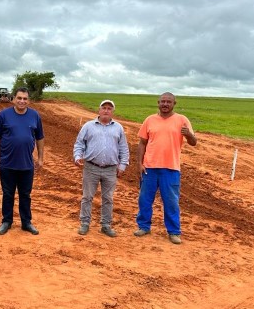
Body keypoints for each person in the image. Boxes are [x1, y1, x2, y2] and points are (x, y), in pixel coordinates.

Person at [134, 92, 197, 245]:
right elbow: (142, 143)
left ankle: (174, 232)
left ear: (174, 103)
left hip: (171, 168)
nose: (165, 104)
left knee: (171, 201)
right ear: (158, 103)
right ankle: (144, 226)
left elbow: (193, 142)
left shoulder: (182, 120)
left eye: (168, 102)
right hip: (150, 167)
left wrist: (188, 134)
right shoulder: (149, 120)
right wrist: (139, 164)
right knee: (144, 199)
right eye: (162, 101)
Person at [0, 87, 44, 235]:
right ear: (13, 99)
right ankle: (6, 221)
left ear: (29, 100)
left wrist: (40, 158)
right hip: (7, 163)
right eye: (19, 98)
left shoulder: (35, 116)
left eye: (25, 99)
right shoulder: (3, 115)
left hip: (27, 164)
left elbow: (40, 137)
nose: (22, 101)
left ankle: (26, 222)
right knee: (8, 194)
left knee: (25, 195)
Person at [73, 99, 129, 237]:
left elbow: (123, 148)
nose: (106, 110)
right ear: (99, 110)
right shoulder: (88, 126)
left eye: (109, 108)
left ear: (112, 112)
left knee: (108, 198)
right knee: (87, 197)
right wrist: (77, 156)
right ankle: (85, 223)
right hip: (91, 167)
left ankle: (106, 225)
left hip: (111, 169)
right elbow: (79, 143)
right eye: (104, 107)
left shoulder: (118, 128)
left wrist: (122, 165)